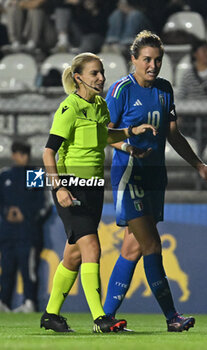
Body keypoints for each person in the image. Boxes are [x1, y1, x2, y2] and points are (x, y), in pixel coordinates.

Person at [102, 30, 207, 332]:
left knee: (132, 248)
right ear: (133, 60)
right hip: (130, 177)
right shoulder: (120, 91)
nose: (152, 66)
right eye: (146, 59)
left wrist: (199, 165)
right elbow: (104, 133)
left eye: (157, 60)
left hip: (156, 178)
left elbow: (173, 134)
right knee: (152, 244)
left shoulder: (164, 90)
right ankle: (172, 317)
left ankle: (104, 319)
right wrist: (128, 145)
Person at [40, 52, 156, 333]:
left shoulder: (100, 106)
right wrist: (59, 187)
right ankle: (101, 318)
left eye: (102, 72)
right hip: (71, 188)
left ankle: (50, 315)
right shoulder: (69, 108)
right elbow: (48, 152)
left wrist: (131, 134)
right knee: (91, 247)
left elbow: (104, 136)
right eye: (94, 73)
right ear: (78, 77)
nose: (101, 77)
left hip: (92, 190)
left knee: (74, 256)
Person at [0, 141, 48, 313]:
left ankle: (29, 301)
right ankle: (4, 302)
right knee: (6, 269)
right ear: (14, 155)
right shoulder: (5, 175)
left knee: (28, 270)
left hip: (27, 233)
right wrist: (7, 211)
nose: (23, 157)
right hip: (7, 233)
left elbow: (42, 204)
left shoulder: (33, 174)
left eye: (25, 154)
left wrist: (24, 214)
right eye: (20, 153)